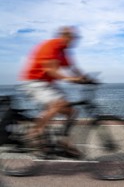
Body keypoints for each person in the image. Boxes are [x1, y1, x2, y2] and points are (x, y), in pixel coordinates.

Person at [20, 26, 86, 157]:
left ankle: (63, 142)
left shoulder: (63, 51)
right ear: (65, 36)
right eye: (73, 37)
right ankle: (34, 132)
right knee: (57, 104)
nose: (75, 40)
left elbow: (73, 68)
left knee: (72, 112)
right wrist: (71, 79)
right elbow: (51, 71)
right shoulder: (50, 46)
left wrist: (87, 78)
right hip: (34, 82)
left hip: (48, 85)